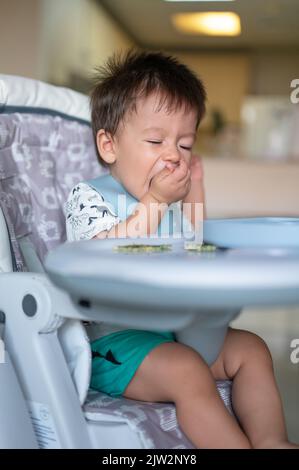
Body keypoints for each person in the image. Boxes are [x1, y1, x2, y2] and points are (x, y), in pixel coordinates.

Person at [65, 50, 297, 449]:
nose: (173, 155)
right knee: (188, 370)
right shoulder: (88, 198)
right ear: (109, 145)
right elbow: (100, 258)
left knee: (251, 349)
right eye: (156, 140)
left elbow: (193, 246)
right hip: (114, 344)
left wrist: (195, 192)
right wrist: (155, 203)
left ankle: (271, 441)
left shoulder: (166, 208)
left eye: (185, 145)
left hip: (173, 332)